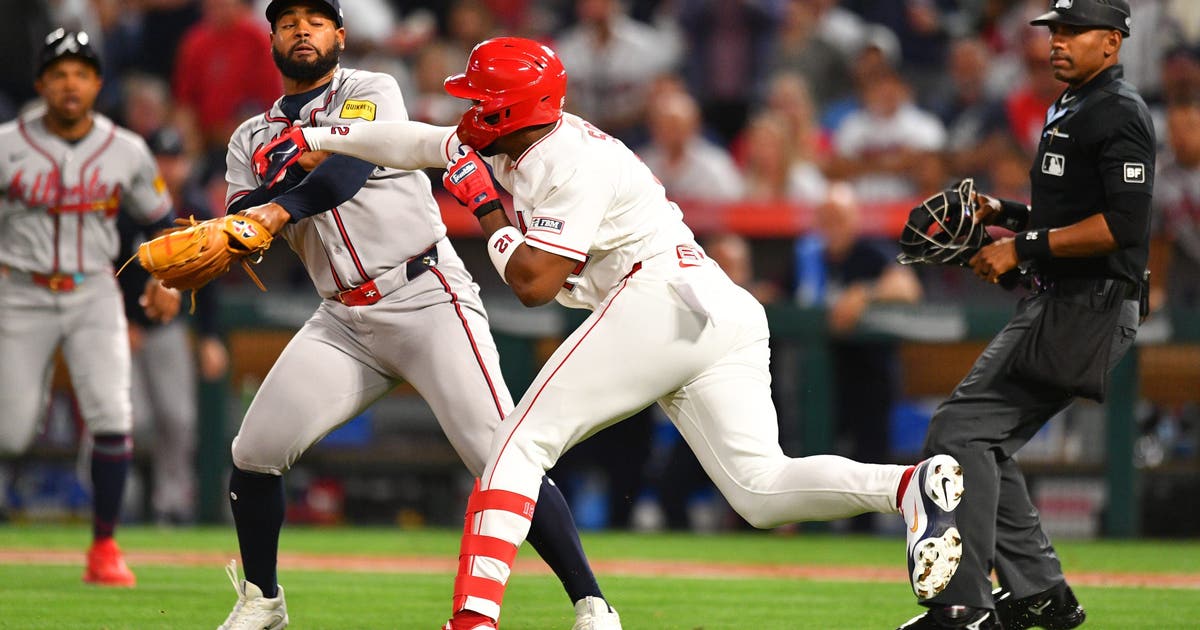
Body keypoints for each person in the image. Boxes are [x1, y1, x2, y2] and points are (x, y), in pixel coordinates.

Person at [256, 36, 969, 629]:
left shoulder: (569, 162)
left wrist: (486, 211)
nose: (467, 108)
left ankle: (472, 620)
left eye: (479, 98)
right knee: (760, 490)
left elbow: (533, 285)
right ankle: (908, 489)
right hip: (713, 306)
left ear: (512, 106)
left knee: (514, 444)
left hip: (658, 296)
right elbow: (419, 141)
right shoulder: (524, 138)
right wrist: (315, 135)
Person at [215, 3, 618, 629]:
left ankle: (593, 604)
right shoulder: (248, 136)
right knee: (255, 451)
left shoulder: (371, 89)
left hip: (426, 294)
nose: (302, 28)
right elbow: (243, 221)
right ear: (270, 36)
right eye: (288, 19)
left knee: (499, 455)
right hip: (342, 317)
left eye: (316, 20)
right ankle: (263, 601)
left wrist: (276, 201)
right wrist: (253, 218)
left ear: (340, 35)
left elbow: (344, 173)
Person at [897, 1, 1155, 628]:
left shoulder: (1121, 113)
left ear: (1113, 43)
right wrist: (1004, 213)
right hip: (1061, 298)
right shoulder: (1070, 106)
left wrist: (1022, 247)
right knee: (978, 437)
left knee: (959, 432)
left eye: (1073, 32)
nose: (1058, 42)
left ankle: (964, 605)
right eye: (1054, 31)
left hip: (1087, 304)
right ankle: (1039, 592)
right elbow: (1065, 217)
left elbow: (1122, 227)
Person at [0, 28, 180, 586]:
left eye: (81, 73)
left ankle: (104, 547)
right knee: (8, 433)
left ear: (98, 83)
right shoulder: (7, 142)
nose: (70, 84)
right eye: (59, 73)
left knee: (112, 413)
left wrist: (167, 278)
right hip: (20, 289)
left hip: (93, 290)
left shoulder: (125, 148)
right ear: (41, 83)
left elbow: (161, 222)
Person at [116, 126, 229, 525]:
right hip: (119, 328)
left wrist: (210, 336)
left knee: (178, 419)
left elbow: (209, 282)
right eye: (160, 160)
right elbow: (103, 267)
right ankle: (112, 498)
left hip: (166, 327)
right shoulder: (125, 207)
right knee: (126, 419)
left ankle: (172, 505)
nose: (167, 168)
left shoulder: (196, 211)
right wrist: (120, 321)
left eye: (173, 159)